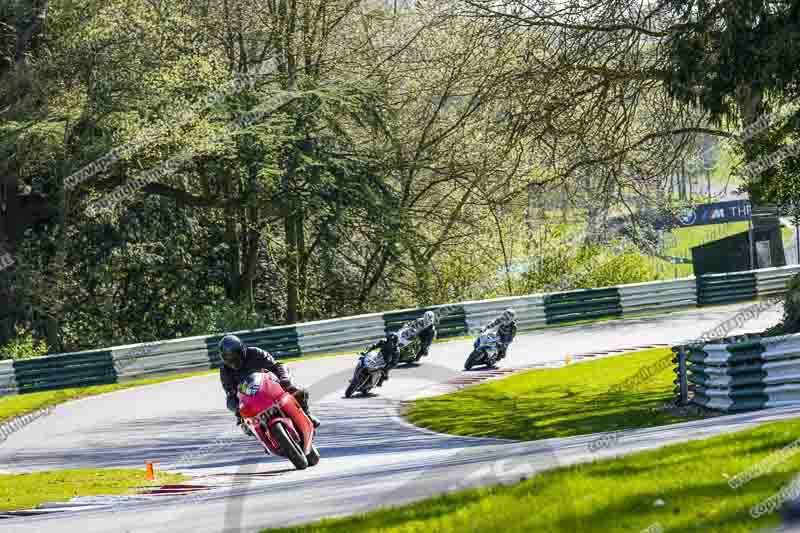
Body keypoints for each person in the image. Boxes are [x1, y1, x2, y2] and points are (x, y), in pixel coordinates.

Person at [218, 334, 320, 435]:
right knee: (246, 426)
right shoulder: (224, 370)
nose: (232, 361)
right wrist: (236, 407)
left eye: (235, 356)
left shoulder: (255, 353)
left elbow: (276, 366)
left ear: (242, 349)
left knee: (300, 392)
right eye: (227, 358)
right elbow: (230, 392)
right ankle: (265, 439)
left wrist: (284, 378)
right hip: (250, 400)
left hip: (269, 387)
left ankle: (307, 415)